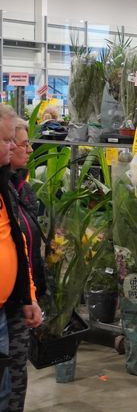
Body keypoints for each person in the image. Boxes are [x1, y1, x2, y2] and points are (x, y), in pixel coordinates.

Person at [0, 105, 41, 411]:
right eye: (9, 140)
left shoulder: (16, 188)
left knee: (12, 381)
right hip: (8, 304)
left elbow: (19, 242)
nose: (18, 147)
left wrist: (30, 294)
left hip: (14, 301)